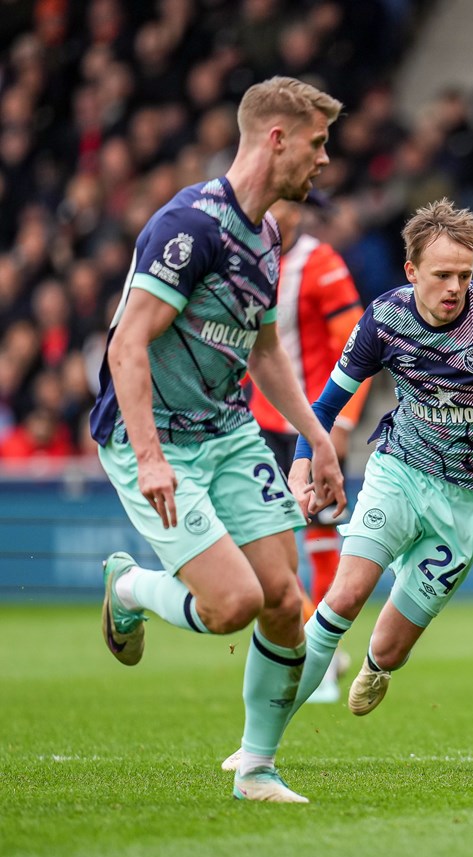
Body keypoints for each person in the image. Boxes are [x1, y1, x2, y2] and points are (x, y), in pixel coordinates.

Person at [225, 197, 473, 754]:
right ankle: (257, 746)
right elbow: (325, 404)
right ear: (412, 271)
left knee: (390, 648)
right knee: (344, 597)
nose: (455, 287)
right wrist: (301, 463)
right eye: (442, 275)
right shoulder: (384, 319)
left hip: (471, 498)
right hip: (400, 470)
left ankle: (376, 664)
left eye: (464, 274)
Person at [89, 77, 348, 803]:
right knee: (233, 603)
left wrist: (316, 436)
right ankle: (129, 587)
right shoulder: (190, 227)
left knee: (284, 600)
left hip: (229, 432)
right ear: (276, 138)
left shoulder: (267, 235)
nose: (325, 159)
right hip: (156, 438)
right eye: (317, 143)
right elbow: (126, 344)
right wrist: (149, 458)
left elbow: (264, 351)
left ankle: (256, 771)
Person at [248, 195, 370, 704]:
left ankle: (320, 655)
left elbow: (356, 345)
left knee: (320, 534)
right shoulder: (245, 257)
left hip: (313, 424)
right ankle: (309, 637)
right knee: (255, 542)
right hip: (257, 423)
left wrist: (343, 421)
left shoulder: (321, 264)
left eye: (284, 202)